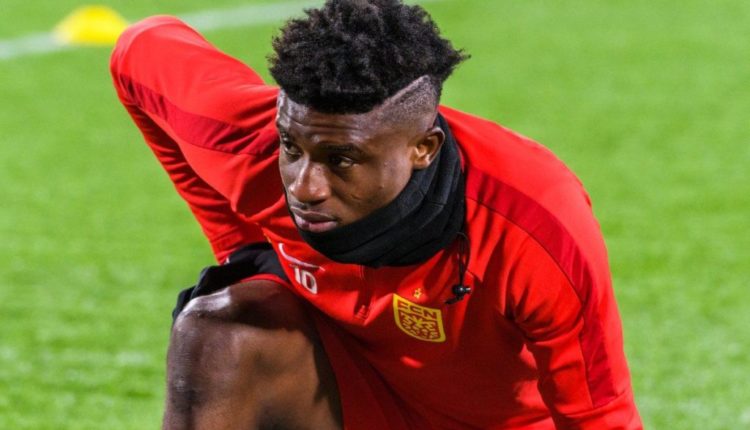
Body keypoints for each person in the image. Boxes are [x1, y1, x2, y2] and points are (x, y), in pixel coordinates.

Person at [110, 0, 643, 428]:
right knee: (216, 331)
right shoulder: (248, 139)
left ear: (423, 148)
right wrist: (240, 247)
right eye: (292, 146)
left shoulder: (534, 220)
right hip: (349, 394)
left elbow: (599, 416)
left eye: (342, 160)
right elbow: (140, 49)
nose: (304, 186)